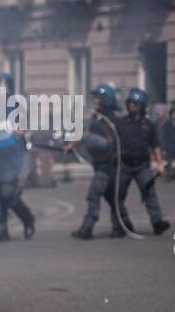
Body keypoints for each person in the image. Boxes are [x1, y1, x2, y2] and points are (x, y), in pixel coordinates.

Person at [71, 85, 134, 239]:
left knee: (94, 195)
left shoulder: (106, 120)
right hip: (110, 164)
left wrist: (82, 138)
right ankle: (124, 225)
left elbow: (104, 143)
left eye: (98, 98)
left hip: (107, 165)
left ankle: (87, 228)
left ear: (106, 100)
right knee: (113, 198)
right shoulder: (109, 118)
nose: (95, 101)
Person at [0, 72, 35, 241]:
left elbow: (25, 127)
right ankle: (2, 229)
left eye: (5, 86)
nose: (2, 89)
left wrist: (20, 129)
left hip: (12, 156)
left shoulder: (17, 105)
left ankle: (27, 218)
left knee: (8, 194)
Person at [115, 88, 169, 235]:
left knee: (150, 192)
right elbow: (112, 142)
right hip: (124, 164)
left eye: (135, 103)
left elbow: (155, 145)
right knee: (117, 195)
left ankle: (157, 222)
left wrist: (159, 163)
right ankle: (123, 223)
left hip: (142, 165)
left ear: (142, 105)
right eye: (130, 102)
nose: (131, 105)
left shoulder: (148, 124)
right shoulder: (121, 123)